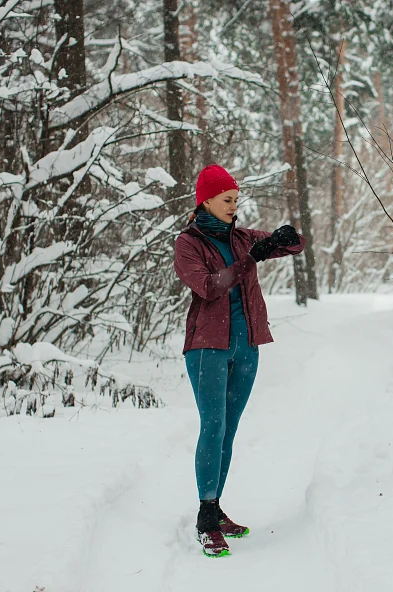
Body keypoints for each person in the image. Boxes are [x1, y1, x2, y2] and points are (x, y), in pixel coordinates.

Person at [174, 164, 305, 558]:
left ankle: (216, 508)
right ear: (207, 201)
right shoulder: (188, 244)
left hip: (246, 345)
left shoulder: (243, 236)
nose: (234, 206)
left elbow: (296, 246)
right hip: (207, 348)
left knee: (228, 429)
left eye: (235, 199)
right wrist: (254, 257)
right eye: (227, 200)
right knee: (212, 425)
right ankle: (205, 518)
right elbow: (210, 287)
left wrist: (287, 236)